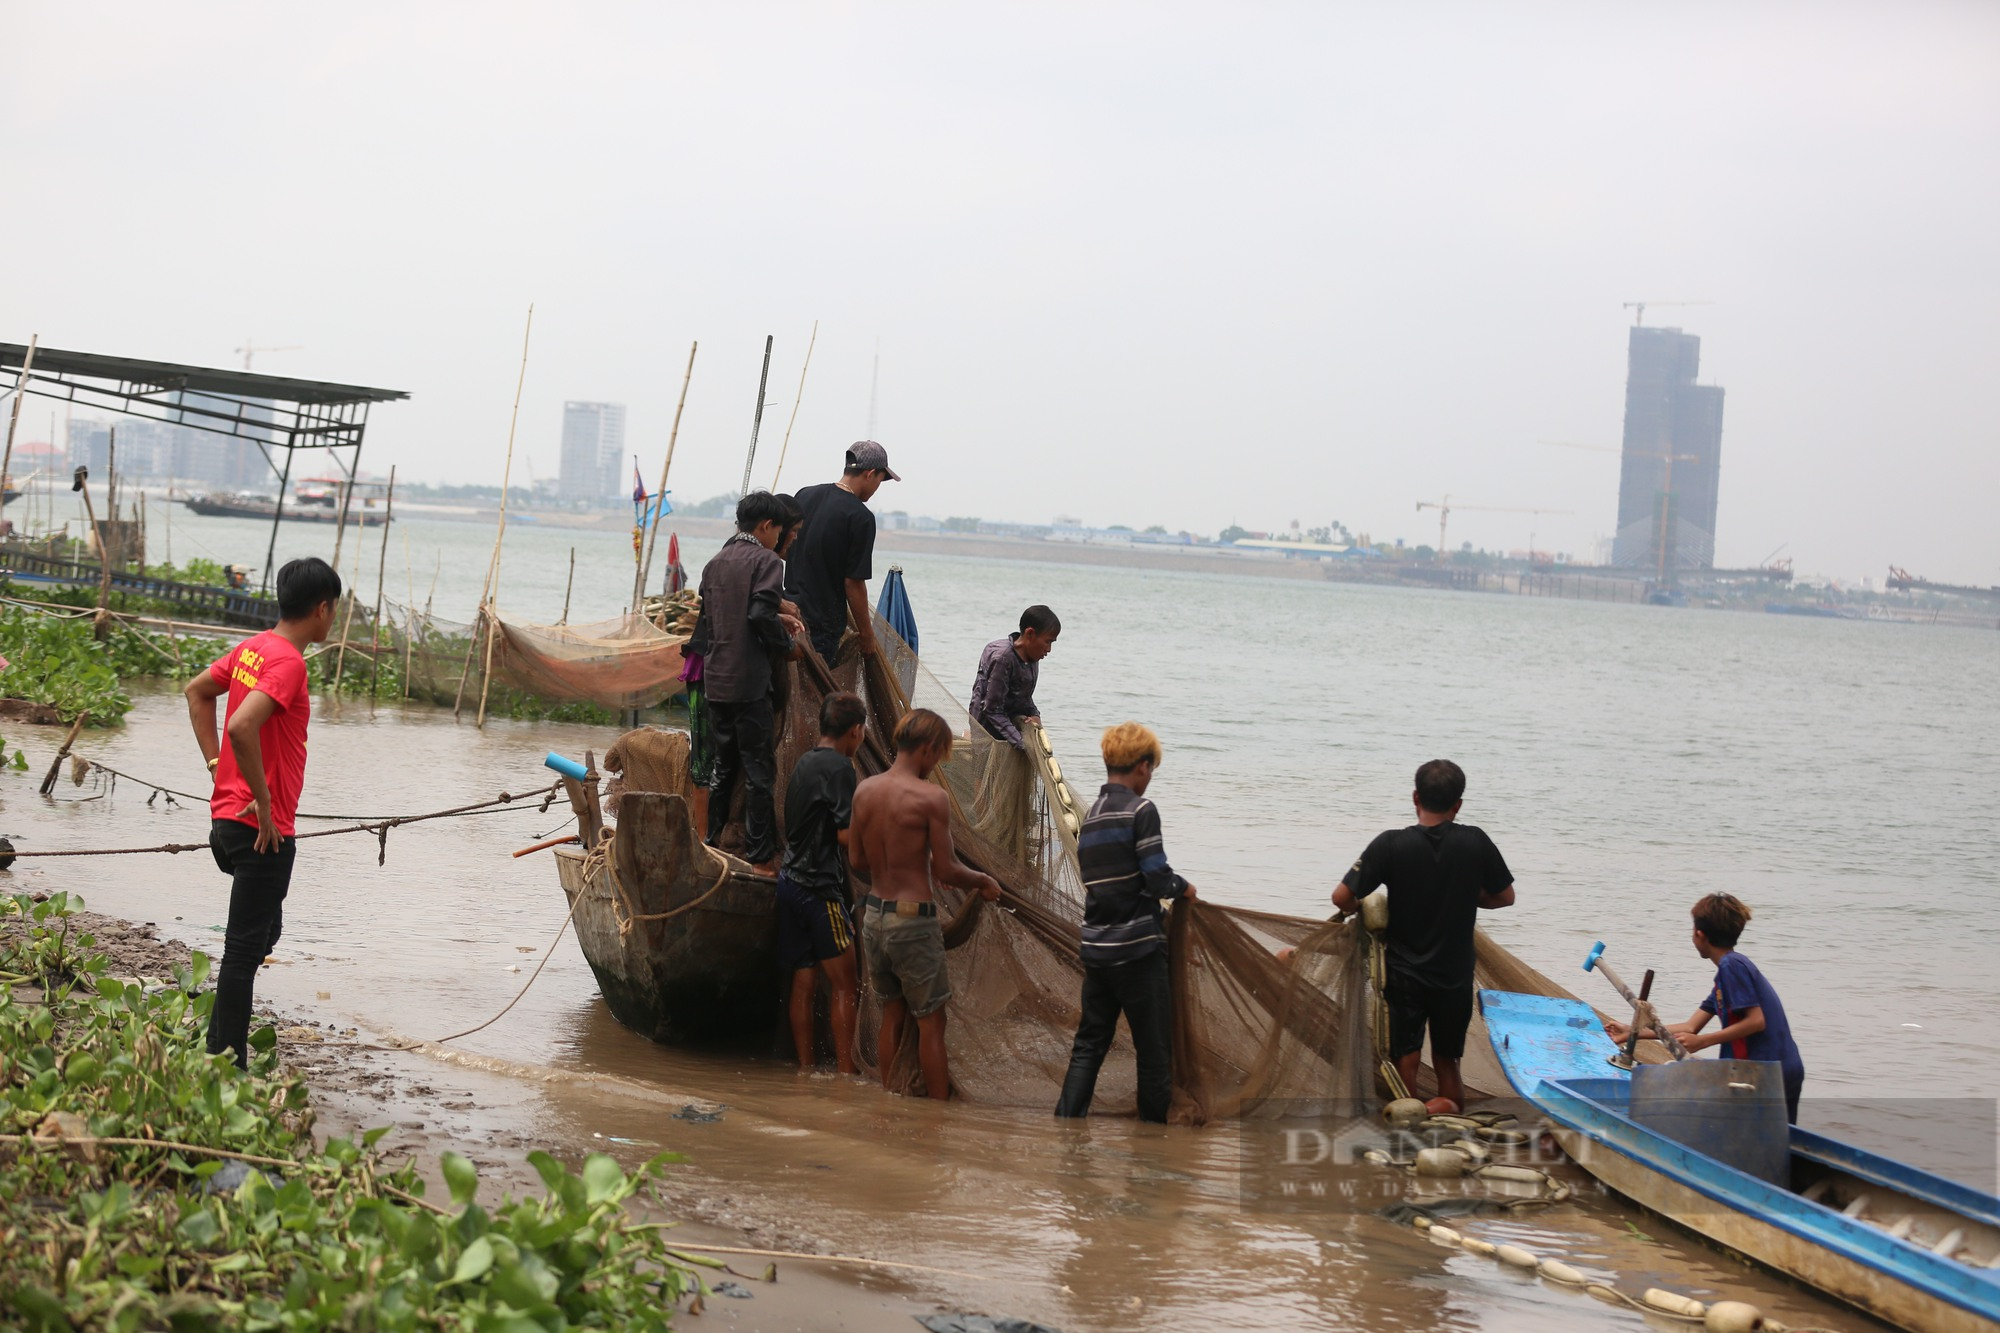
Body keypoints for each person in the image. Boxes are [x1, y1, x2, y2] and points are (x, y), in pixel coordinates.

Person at [183, 556, 341, 1068]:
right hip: (261, 832)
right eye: (334, 609)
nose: (333, 617)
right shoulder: (289, 663)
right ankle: (226, 1062)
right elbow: (241, 726)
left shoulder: (253, 648)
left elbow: (197, 691)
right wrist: (267, 800)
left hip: (225, 824)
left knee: (260, 932)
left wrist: (215, 767)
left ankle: (215, 1038)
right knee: (244, 952)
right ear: (321, 609)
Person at [1332, 759, 1515, 1115]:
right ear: (1457, 805)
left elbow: (1341, 898)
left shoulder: (1389, 845)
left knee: (1407, 1056)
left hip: (1404, 973)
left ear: (1415, 797)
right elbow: (1504, 896)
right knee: (1448, 1061)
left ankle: (1408, 1117)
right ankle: (1444, 1111)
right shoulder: (1475, 841)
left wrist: (1365, 907)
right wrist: (1468, 895)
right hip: (1454, 974)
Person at [849, 708, 1000, 1099]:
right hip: (913, 921)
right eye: (939, 756)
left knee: (892, 1017)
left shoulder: (864, 790)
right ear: (929, 748)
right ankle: (937, 1116)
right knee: (933, 1023)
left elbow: (856, 862)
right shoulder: (931, 798)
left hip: (874, 918)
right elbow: (948, 871)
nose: (936, 766)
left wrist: (894, 867)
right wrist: (983, 880)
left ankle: (890, 1099)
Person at [1054, 722, 1196, 1123]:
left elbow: (1104, 884)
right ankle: (1153, 1143)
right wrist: (1184, 888)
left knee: (1089, 1045)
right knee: (1153, 1052)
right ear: (1143, 767)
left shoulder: (1092, 816)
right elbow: (1155, 876)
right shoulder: (1141, 810)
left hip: (1098, 951)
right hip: (1138, 952)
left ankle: (1067, 1124)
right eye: (1151, 769)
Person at [1606, 893, 1806, 1122]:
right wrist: (1632, 1033)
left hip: (1766, 1072)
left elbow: (1756, 1021)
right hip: (1780, 1068)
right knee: (1778, 1139)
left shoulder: (1732, 966)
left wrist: (1705, 1041)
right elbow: (1691, 1027)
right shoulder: (1727, 975)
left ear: (1700, 935)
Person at [690, 491, 798, 874]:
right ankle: (759, 857)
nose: (779, 539)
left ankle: (711, 842)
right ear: (767, 527)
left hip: (716, 679)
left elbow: (717, 615)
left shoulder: (715, 562)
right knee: (758, 773)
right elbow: (758, 613)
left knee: (724, 766)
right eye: (779, 531)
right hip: (750, 682)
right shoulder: (766, 560)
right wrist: (786, 645)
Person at [777, 691, 868, 1075]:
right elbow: (846, 836)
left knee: (804, 983)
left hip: (789, 884)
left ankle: (805, 1069)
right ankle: (847, 1073)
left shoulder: (805, 762)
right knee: (847, 984)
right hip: (819, 889)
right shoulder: (841, 768)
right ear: (856, 731)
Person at [784, 441, 899, 663]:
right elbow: (853, 583)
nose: (877, 488)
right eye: (880, 481)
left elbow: (785, 550)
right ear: (870, 474)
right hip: (822, 627)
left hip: (789, 614)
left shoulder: (804, 495)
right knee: (815, 691)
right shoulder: (861, 518)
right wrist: (866, 635)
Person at [970, 605, 1060, 750]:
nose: (1049, 649)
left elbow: (1024, 696)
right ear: (1030, 634)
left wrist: (1034, 715)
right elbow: (992, 710)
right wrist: (1023, 743)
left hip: (1010, 728)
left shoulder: (1032, 657)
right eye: (1048, 641)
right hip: (987, 732)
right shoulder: (1003, 658)